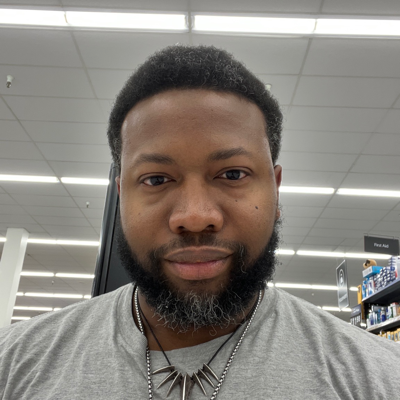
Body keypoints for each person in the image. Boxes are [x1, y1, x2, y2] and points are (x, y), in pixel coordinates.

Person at [0, 45, 399, 400]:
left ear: (276, 191)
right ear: (121, 196)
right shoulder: (15, 363)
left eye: (233, 174)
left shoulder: (379, 377)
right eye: (156, 179)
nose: (194, 217)